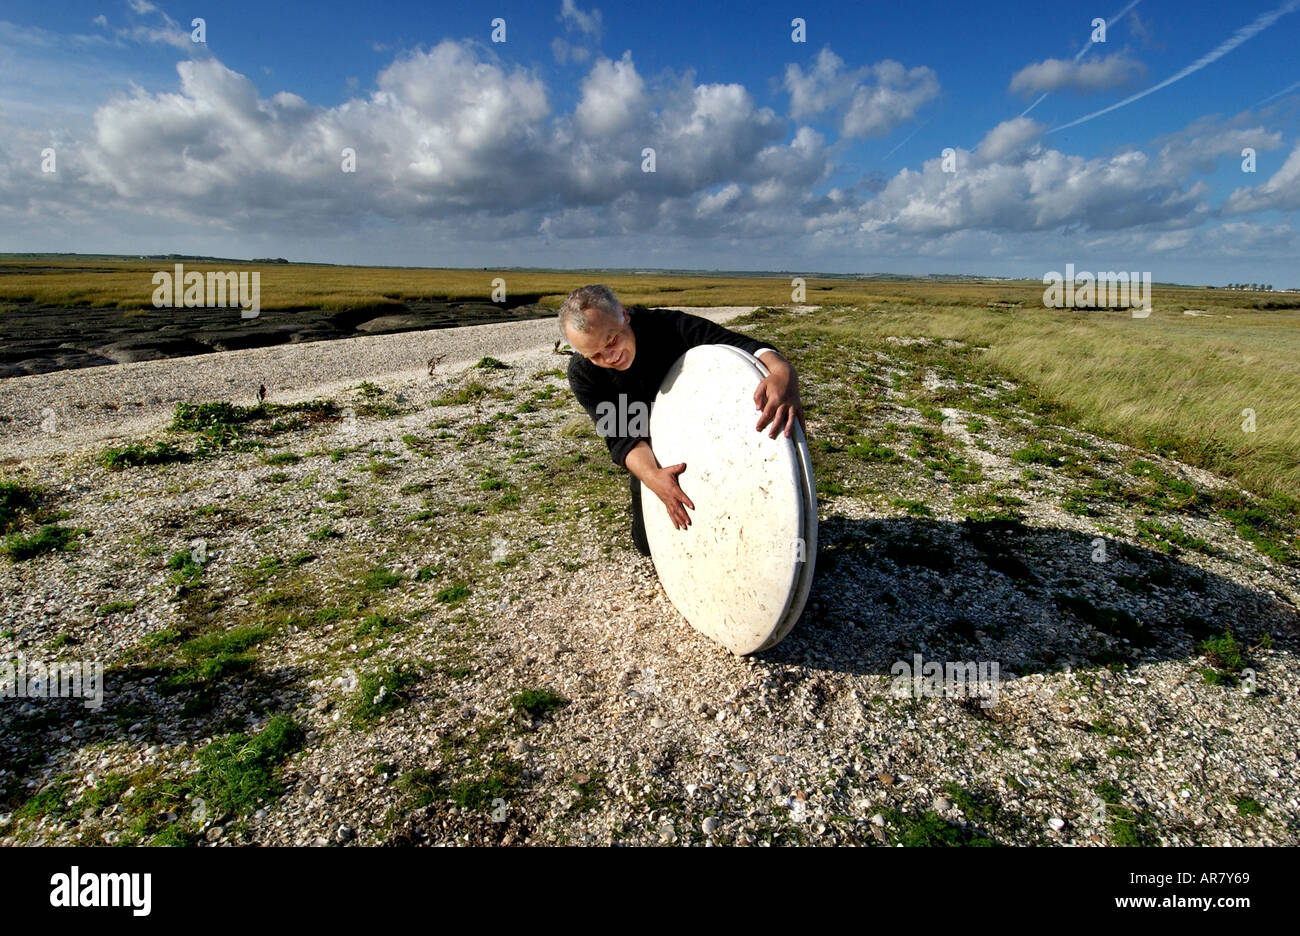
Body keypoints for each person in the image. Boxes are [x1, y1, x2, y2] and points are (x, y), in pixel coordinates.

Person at [561, 285, 805, 556]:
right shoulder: (585, 373)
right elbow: (621, 437)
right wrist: (653, 477)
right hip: (653, 450)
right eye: (594, 355)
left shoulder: (667, 327)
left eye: (612, 341)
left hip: (706, 432)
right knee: (648, 545)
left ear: (623, 315)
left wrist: (784, 371)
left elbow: (740, 346)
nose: (609, 357)